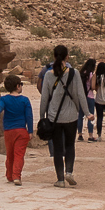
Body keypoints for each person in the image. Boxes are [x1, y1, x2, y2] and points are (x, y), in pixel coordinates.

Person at [37, 44, 90, 187]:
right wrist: (87, 113)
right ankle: (69, 172)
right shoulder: (74, 73)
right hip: (71, 116)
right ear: (67, 57)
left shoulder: (48, 74)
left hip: (54, 117)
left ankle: (60, 179)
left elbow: (44, 98)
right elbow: (80, 95)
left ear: (54, 56)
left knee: (58, 149)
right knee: (70, 145)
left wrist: (42, 117)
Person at [0, 74, 33, 186]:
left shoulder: (4, 99)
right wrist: (30, 131)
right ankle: (16, 176)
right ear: (18, 86)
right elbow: (29, 116)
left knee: (10, 154)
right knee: (19, 155)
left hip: (8, 131)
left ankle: (9, 175)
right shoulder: (25, 100)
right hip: (21, 131)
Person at [79, 58, 99, 140]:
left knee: (80, 116)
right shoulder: (92, 75)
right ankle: (90, 135)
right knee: (90, 116)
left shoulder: (81, 74)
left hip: (82, 97)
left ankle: (80, 135)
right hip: (90, 96)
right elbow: (93, 87)